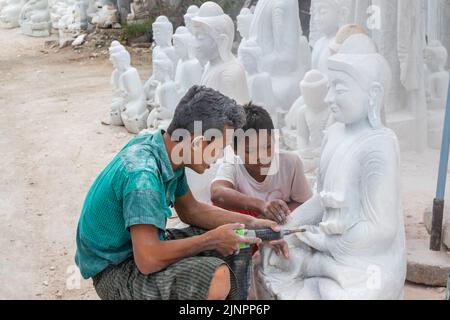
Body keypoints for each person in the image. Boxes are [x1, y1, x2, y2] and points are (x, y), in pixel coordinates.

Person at [75, 86, 280, 300]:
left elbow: (192, 211)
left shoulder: (168, 151)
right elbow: (148, 260)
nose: (219, 157)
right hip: (116, 271)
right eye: (220, 148)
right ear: (199, 143)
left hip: (137, 252)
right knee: (215, 277)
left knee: (240, 238)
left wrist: (253, 225)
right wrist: (211, 239)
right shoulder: (143, 178)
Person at [210, 104, 312, 227]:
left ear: (275, 140)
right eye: (251, 151)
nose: (261, 156)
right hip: (246, 228)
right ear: (234, 149)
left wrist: (276, 214)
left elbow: (304, 203)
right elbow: (218, 193)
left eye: (267, 147)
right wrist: (262, 206)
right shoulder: (232, 165)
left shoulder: (290, 163)